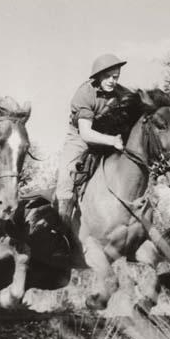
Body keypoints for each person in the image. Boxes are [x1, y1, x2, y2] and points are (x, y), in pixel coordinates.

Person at [55, 54, 130, 224]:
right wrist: (113, 141)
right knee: (66, 178)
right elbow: (86, 133)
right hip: (80, 139)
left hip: (110, 136)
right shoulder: (84, 93)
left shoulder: (123, 94)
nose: (112, 81)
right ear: (98, 76)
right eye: (108, 76)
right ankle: (62, 234)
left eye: (116, 77)